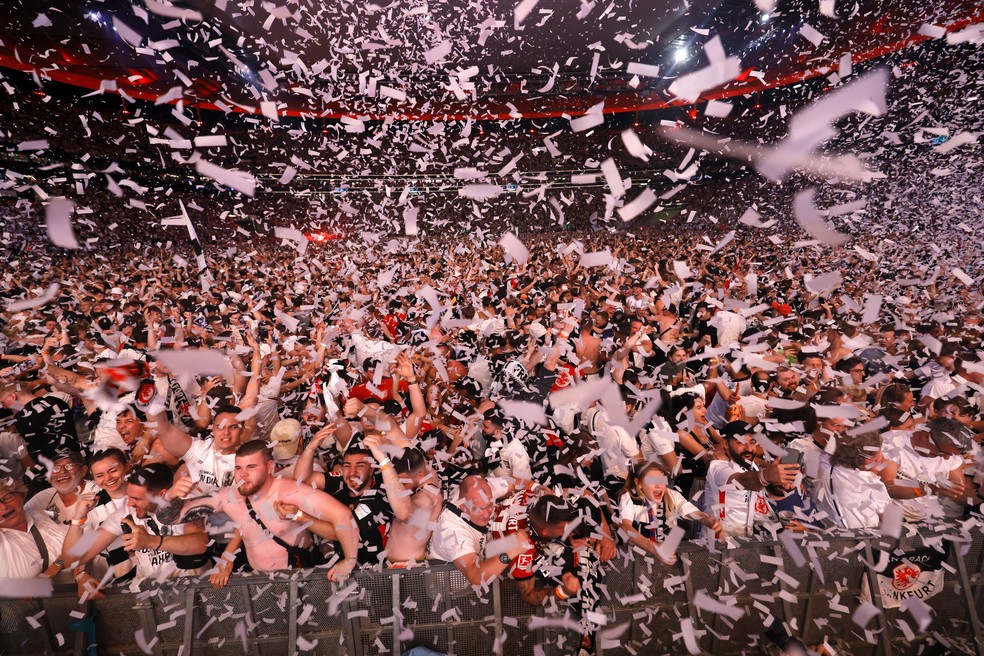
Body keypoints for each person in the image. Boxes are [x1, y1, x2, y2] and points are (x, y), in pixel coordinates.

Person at [157, 440, 359, 581]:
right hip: (259, 581)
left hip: (301, 578)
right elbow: (170, 518)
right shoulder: (228, 497)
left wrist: (349, 560)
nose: (243, 475)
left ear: (269, 467)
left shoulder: (289, 492)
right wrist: (170, 496)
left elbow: (343, 515)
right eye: (238, 468)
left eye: (251, 467)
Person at [42, 464, 210, 591]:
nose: (129, 503)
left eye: (137, 499)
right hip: (150, 594)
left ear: (161, 495)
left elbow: (200, 544)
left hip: (192, 590)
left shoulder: (186, 503)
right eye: (129, 497)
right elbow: (74, 560)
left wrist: (151, 541)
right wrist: (78, 518)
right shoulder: (126, 512)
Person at [296, 438, 395, 567]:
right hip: (336, 568)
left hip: (370, 574)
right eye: (347, 466)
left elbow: (340, 532)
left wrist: (299, 516)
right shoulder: (342, 482)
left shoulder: (379, 498)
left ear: (371, 469)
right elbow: (301, 479)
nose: (352, 472)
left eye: (360, 466)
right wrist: (310, 447)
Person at [429, 473, 531, 587]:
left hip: (480, 554)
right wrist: (512, 550)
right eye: (479, 509)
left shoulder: (484, 492)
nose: (486, 513)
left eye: (489, 505)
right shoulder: (451, 531)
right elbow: (475, 577)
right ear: (463, 506)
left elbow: (517, 482)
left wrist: (536, 487)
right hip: (451, 587)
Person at [704, 422, 800, 538]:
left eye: (752, 442)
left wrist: (782, 486)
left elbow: (761, 491)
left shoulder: (750, 464)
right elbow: (742, 481)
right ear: (726, 444)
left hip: (746, 541)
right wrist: (766, 476)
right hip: (719, 543)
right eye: (740, 442)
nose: (748, 448)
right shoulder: (719, 467)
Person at [618, 460, 722, 563]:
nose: (659, 486)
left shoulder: (672, 495)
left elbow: (694, 513)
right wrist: (653, 547)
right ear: (638, 483)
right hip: (638, 560)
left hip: (668, 558)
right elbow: (626, 527)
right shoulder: (629, 497)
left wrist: (708, 520)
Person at [363, 436, 443, 567]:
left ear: (420, 475)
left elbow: (404, 513)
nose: (399, 485)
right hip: (394, 566)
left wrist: (383, 460)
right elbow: (396, 433)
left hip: (407, 570)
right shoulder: (426, 472)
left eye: (403, 482)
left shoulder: (427, 498)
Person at [811, 432, 893, 529]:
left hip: (829, 534)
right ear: (870, 460)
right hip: (863, 539)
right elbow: (890, 519)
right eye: (880, 452)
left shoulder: (825, 468)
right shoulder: (870, 481)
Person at [0, 480, 67, 578]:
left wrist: (78, 573)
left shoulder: (39, 514)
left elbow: (73, 546)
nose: (3, 507)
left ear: (20, 495)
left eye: (6, 498)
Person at [24, 449, 98, 526]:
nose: (62, 471)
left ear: (83, 470)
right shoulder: (45, 496)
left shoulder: (96, 493)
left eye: (69, 466)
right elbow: (22, 515)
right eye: (55, 468)